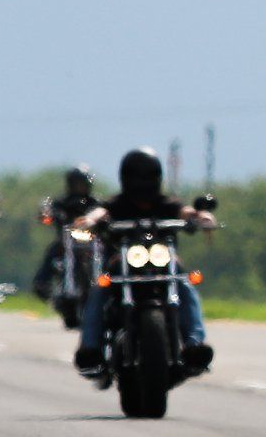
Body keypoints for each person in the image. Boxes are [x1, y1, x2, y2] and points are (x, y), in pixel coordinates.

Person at [73, 148, 216, 375]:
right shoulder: (117, 203)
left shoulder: (166, 203)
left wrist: (200, 217)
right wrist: (90, 219)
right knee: (98, 291)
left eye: (147, 175)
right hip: (122, 263)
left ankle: (194, 344)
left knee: (186, 285)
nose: (142, 182)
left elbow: (185, 211)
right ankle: (90, 348)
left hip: (163, 262)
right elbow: (101, 212)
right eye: (136, 175)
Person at [32, 165, 100, 300]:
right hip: (66, 241)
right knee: (52, 252)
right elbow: (48, 212)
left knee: (108, 253)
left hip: (91, 241)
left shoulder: (95, 203)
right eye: (76, 184)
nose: (79, 187)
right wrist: (48, 215)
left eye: (82, 184)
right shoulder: (61, 203)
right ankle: (42, 283)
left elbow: (105, 214)